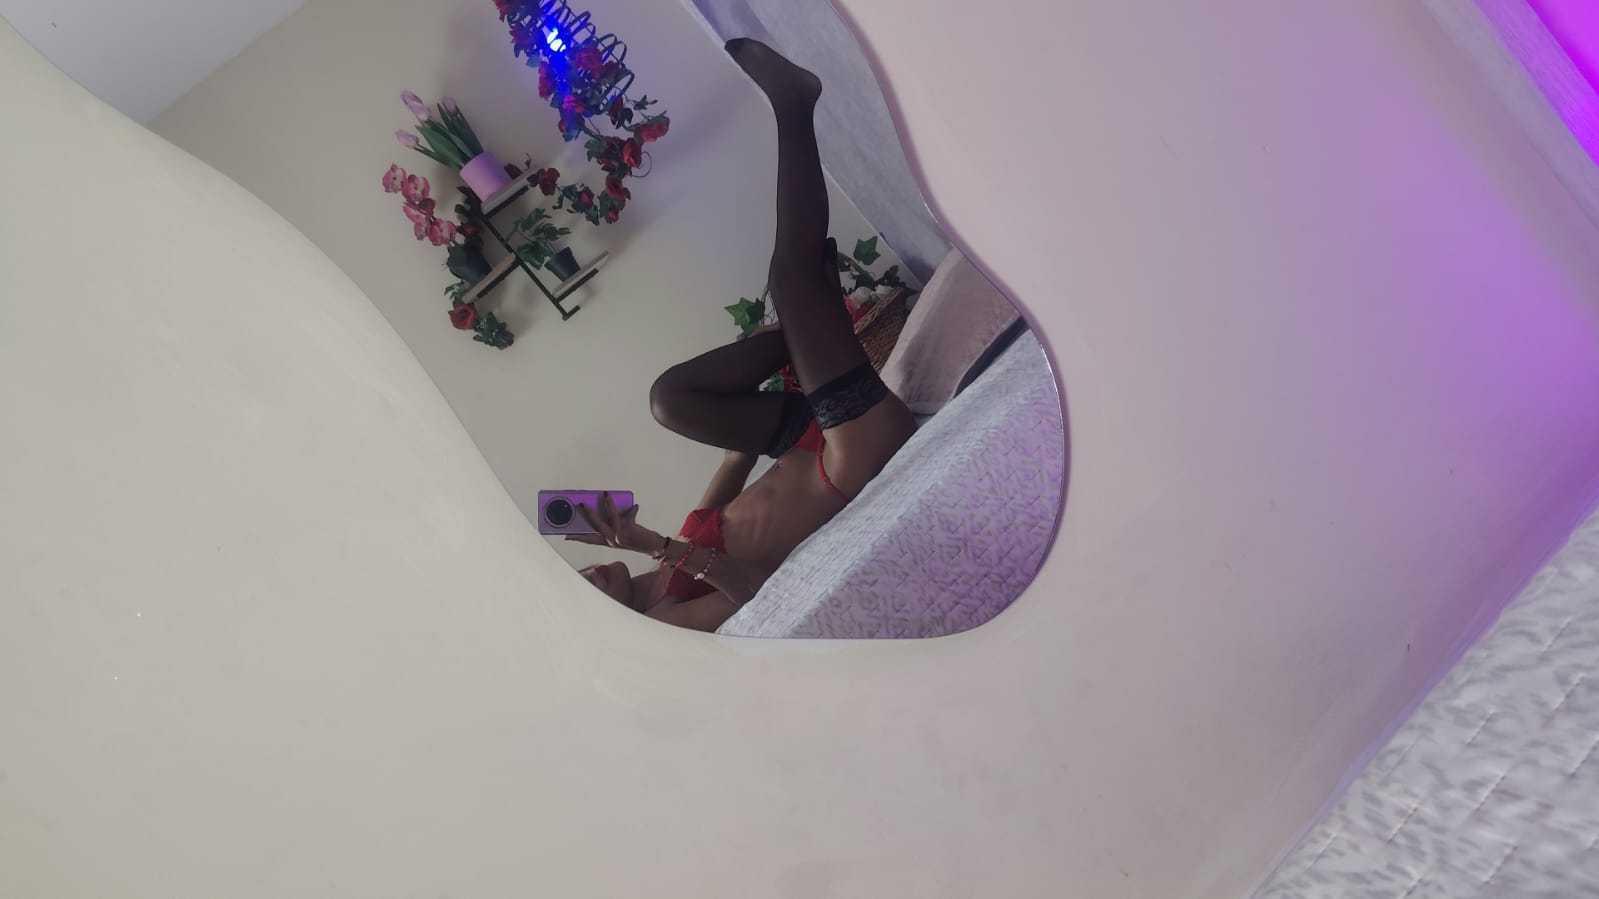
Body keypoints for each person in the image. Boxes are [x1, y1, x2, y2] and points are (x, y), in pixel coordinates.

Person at [571, 39, 916, 632]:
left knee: (669, 401)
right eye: (584, 593)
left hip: (806, 441)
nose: (588, 574)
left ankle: (808, 322)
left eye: (576, 575)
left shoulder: (674, 548)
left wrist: (734, 407)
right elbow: (750, 595)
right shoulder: (665, 622)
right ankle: (793, 103)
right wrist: (650, 542)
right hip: (848, 461)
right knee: (791, 277)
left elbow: (739, 455)